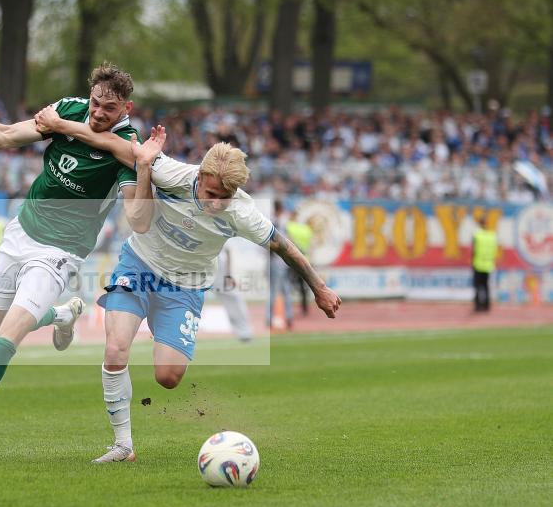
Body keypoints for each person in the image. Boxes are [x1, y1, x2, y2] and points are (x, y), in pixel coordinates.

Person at [34, 108, 341, 463]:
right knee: (116, 349)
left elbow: (285, 248)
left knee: (168, 377)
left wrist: (319, 288)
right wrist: (59, 125)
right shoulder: (169, 172)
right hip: (139, 266)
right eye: (210, 191)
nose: (214, 202)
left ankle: (157, 325)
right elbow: (110, 142)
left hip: (186, 286)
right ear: (200, 174)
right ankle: (123, 446)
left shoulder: (243, 213)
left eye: (223, 197)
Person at [0, 63, 156, 466]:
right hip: (20, 232)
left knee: (4, 344)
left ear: (126, 108)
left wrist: (142, 168)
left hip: (60, 252)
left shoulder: (128, 144)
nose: (98, 113)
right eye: (95, 102)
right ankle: (61, 314)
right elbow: (6, 136)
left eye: (108, 109)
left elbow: (138, 218)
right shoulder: (69, 109)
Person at [211, 245, 254, 342]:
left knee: (234, 299)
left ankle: (244, 332)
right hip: (198, 266)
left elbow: (228, 250)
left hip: (217, 266)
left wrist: (229, 274)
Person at [268, 201, 294, 330]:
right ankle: (288, 317)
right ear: (281, 208)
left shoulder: (273, 222)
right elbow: (288, 241)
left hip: (276, 262)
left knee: (276, 291)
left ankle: (271, 318)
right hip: (280, 262)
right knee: (284, 290)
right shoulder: (279, 223)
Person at [285, 210, 313, 316]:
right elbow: (311, 246)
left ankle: (287, 309)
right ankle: (305, 309)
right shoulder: (306, 229)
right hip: (305, 260)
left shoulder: (289, 226)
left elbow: (287, 241)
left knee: (287, 284)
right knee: (303, 286)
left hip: (291, 261)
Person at [472, 214, 497, 312]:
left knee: (478, 287)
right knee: (486, 286)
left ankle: (478, 306)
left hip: (478, 264)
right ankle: (487, 306)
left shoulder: (477, 235)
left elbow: (473, 250)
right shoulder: (492, 236)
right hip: (488, 265)